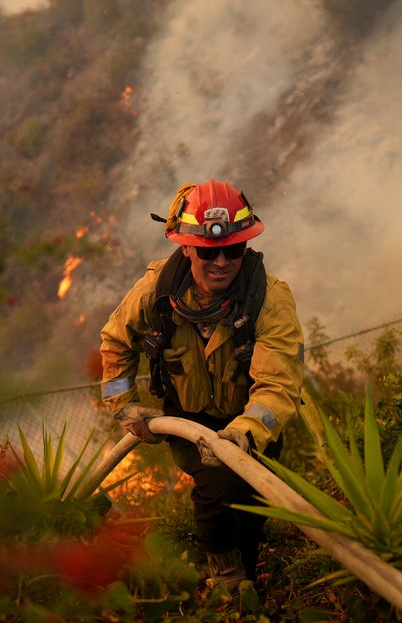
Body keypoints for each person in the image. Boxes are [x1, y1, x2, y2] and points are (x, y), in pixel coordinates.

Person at [99, 179, 305, 590]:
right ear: (187, 247)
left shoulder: (269, 300)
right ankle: (227, 585)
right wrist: (123, 407)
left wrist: (245, 433)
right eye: (210, 251)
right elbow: (115, 341)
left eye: (234, 249)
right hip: (188, 421)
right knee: (217, 490)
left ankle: (247, 573)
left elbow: (278, 386)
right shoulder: (157, 291)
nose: (222, 262)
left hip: (251, 428)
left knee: (249, 510)